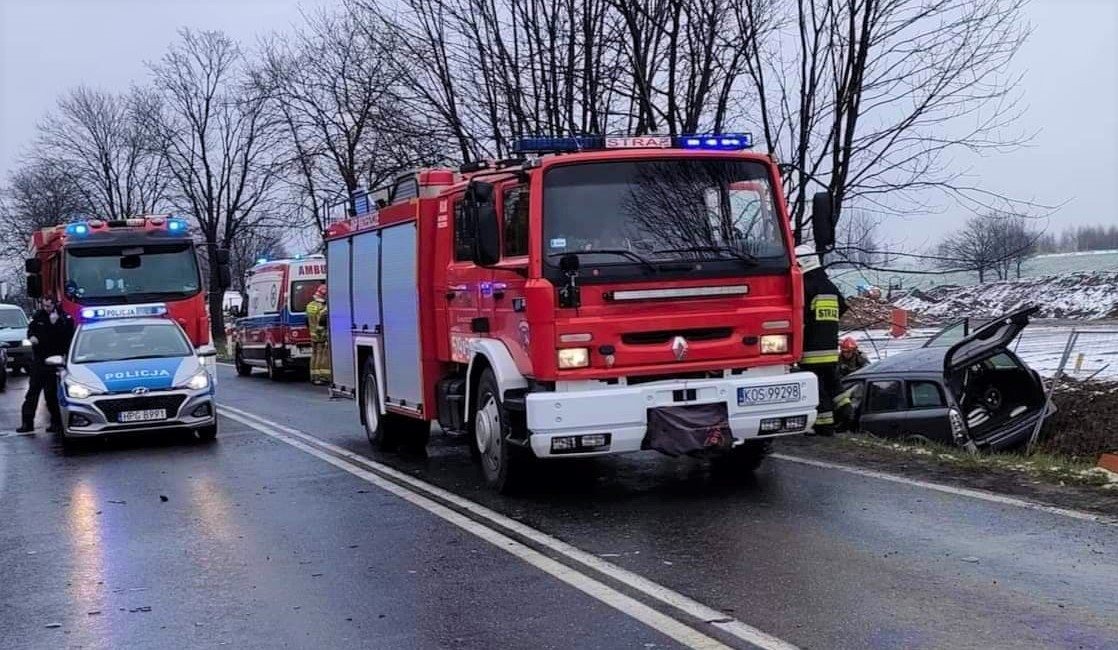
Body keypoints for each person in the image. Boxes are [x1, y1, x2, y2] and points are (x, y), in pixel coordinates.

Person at [797, 246, 846, 436]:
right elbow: (842, 306)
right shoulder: (828, 285)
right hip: (830, 348)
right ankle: (845, 408)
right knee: (832, 382)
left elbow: (800, 314)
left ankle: (824, 425)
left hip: (811, 349)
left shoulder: (805, 286)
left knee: (817, 388)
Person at [17, 296, 75, 433]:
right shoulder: (39, 317)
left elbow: (65, 338)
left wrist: (54, 324)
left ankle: (56, 422)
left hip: (54, 360)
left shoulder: (63, 318)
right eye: (44, 306)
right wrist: (31, 336)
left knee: (51, 394)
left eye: (48, 306)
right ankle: (27, 423)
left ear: (55, 305)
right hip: (39, 360)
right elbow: (31, 330)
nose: (46, 308)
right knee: (32, 393)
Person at [305, 284, 330, 385]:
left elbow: (307, 321)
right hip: (321, 335)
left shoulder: (310, 305)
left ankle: (313, 376)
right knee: (322, 355)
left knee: (314, 355)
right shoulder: (323, 308)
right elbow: (323, 321)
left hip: (313, 335)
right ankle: (322, 376)